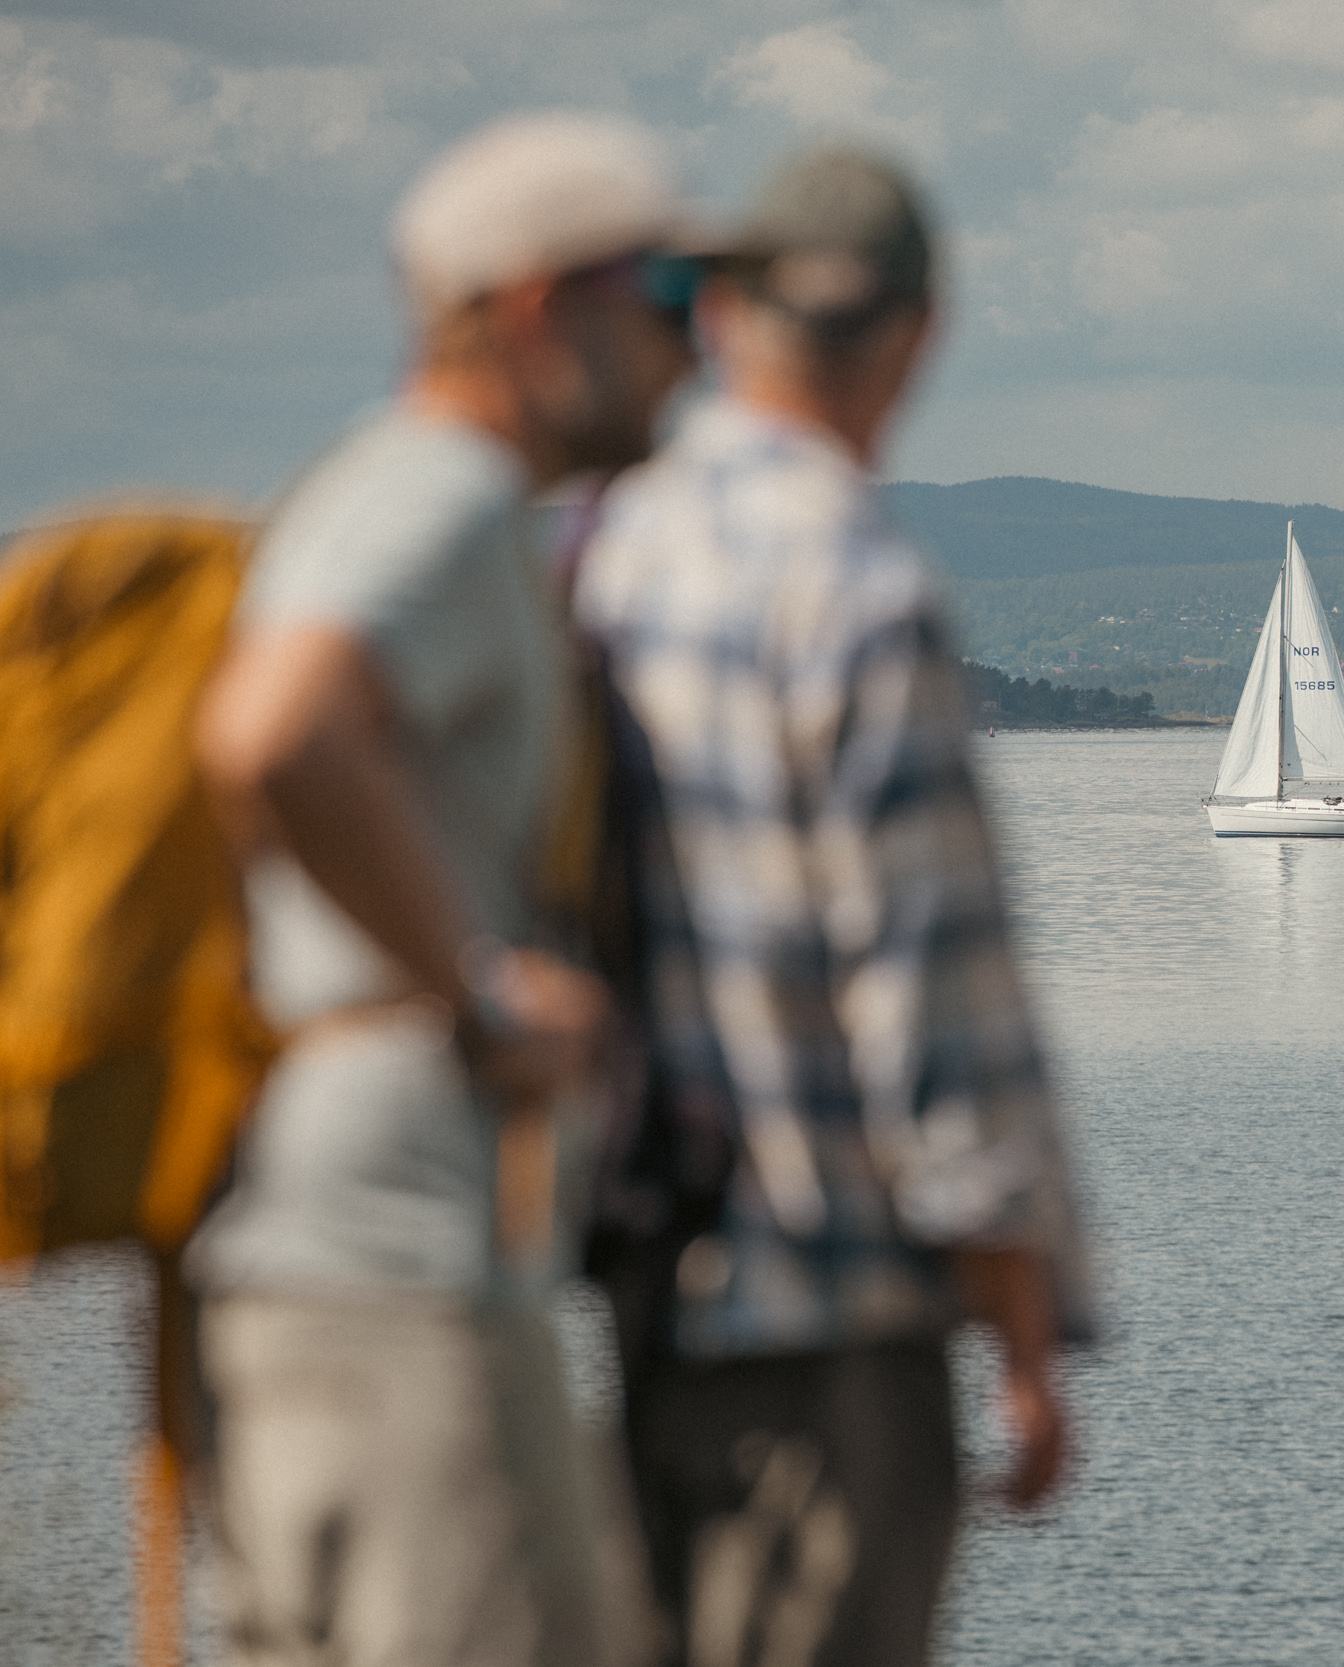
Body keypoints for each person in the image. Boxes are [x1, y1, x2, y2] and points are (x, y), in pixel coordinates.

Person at [188, 113, 696, 1667]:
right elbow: (274, 727)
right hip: (395, 1255)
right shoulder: (450, 495)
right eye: (667, 294)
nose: (696, 347)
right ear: (539, 307)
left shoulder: (390, 487)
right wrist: (474, 986)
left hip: (327, 1242)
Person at [575, 147, 1093, 1667]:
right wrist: (1023, 1320)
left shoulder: (611, 553)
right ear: (919, 334)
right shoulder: (860, 587)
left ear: (727, 317)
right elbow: (928, 996)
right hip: (840, 1311)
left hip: (656, 1286)